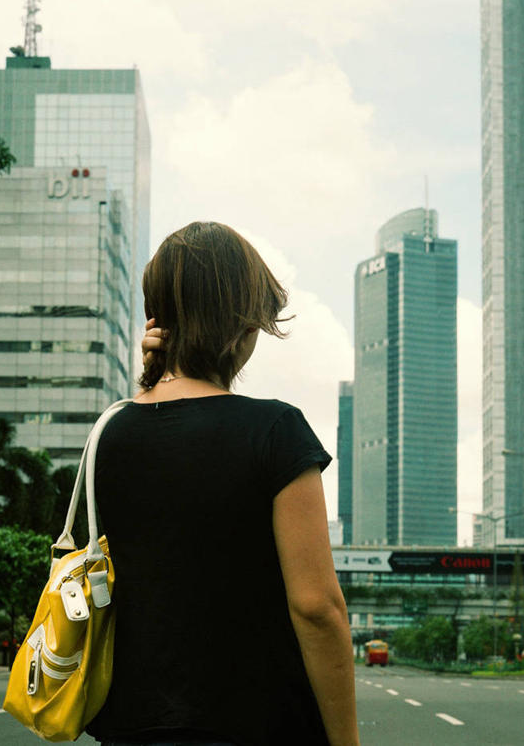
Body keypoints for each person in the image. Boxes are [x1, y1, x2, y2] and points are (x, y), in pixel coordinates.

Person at [87, 222, 359, 746]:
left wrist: (154, 374)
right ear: (241, 323)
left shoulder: (109, 434)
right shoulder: (276, 430)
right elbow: (317, 608)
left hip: (131, 731)